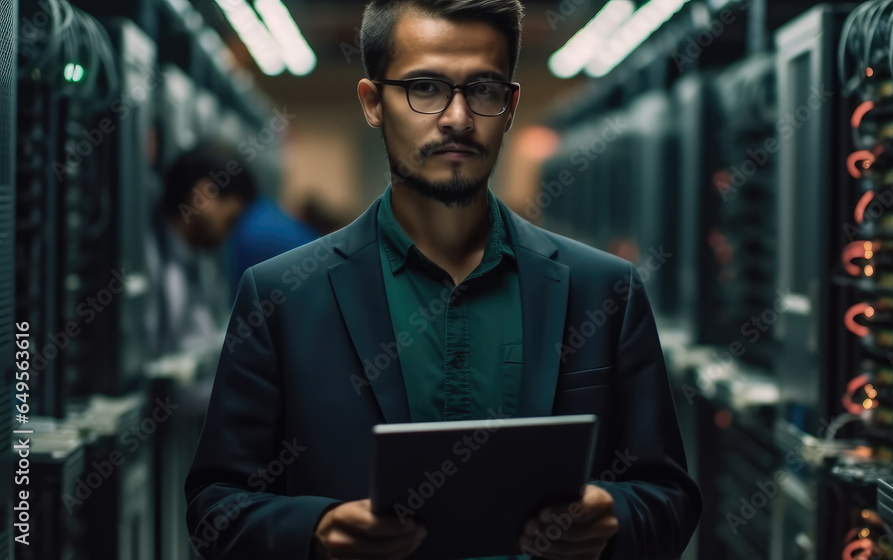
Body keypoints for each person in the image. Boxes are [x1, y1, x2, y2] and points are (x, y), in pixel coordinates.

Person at [184, 1, 701, 559]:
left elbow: (669, 499)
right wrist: (317, 530)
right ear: (372, 103)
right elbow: (215, 508)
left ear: (509, 105)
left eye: (483, 89)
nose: (457, 117)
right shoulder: (281, 295)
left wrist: (614, 515)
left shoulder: (606, 291)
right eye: (425, 88)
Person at [145, 143, 258, 356]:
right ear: (204, 195)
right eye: (230, 220)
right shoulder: (147, 260)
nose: (229, 233)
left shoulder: (195, 259)